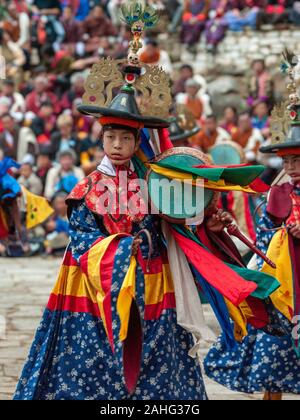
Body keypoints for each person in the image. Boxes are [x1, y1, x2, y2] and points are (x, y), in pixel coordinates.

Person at [14, 4, 280, 400]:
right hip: (100, 288)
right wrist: (124, 248)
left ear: (137, 140)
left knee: (157, 364)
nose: (118, 146)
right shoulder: (88, 186)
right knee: (96, 364)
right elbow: (85, 239)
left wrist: (207, 224)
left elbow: (175, 223)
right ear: (101, 139)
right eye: (111, 138)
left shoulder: (154, 180)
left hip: (153, 282)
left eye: (126, 139)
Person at [204, 92, 300, 401]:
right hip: (284, 281)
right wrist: (281, 235)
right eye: (287, 160)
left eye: (297, 159)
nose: (291, 166)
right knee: (273, 349)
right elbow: (263, 239)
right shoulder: (278, 194)